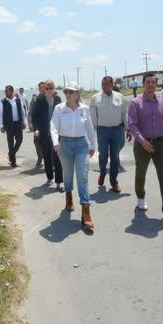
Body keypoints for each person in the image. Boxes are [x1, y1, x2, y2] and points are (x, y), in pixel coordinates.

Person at [127, 72, 163, 226]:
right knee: (141, 173)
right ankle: (141, 197)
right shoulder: (135, 103)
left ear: (156, 84)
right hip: (142, 145)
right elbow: (132, 124)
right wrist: (142, 140)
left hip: (160, 144)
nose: (150, 84)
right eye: (148, 82)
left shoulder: (162, 104)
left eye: (153, 82)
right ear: (143, 84)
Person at [51, 82, 97, 229]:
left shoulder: (84, 109)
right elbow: (52, 127)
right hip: (64, 145)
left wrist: (92, 145)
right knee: (68, 174)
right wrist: (55, 142)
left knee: (83, 176)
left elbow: (89, 128)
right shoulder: (59, 109)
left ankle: (86, 211)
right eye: (66, 92)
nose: (68, 95)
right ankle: (69, 196)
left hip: (81, 145)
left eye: (71, 92)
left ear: (77, 93)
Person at [90, 75, 127, 192]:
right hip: (102, 130)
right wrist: (93, 131)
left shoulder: (119, 97)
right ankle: (102, 173)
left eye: (107, 84)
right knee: (103, 155)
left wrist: (127, 128)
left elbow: (124, 114)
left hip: (117, 130)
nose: (105, 86)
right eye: (103, 84)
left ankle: (114, 182)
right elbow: (93, 116)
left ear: (112, 85)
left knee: (115, 157)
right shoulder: (95, 98)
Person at [32, 80, 64, 189]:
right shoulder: (40, 100)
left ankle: (59, 182)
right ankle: (50, 178)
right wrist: (36, 129)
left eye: (51, 88)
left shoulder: (58, 99)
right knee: (47, 157)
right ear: (44, 89)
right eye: (47, 88)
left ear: (54, 88)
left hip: (57, 132)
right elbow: (35, 117)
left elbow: (63, 115)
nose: (49, 91)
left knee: (58, 158)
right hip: (44, 133)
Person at [0, 85, 26, 168]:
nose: (5, 92)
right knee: (10, 143)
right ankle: (13, 162)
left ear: (12, 91)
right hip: (8, 125)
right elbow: (0, 114)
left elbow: (22, 111)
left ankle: (11, 153)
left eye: (7, 91)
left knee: (20, 140)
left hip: (17, 124)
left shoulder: (18, 100)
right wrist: (1, 126)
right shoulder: (3, 102)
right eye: (5, 91)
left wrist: (24, 122)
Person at [29, 81, 46, 167]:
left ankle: (49, 160)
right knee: (37, 141)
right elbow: (30, 112)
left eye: (44, 87)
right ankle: (40, 157)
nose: (42, 89)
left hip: (47, 125)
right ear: (38, 89)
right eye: (40, 88)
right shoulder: (35, 99)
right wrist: (30, 123)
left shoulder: (49, 98)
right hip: (37, 125)